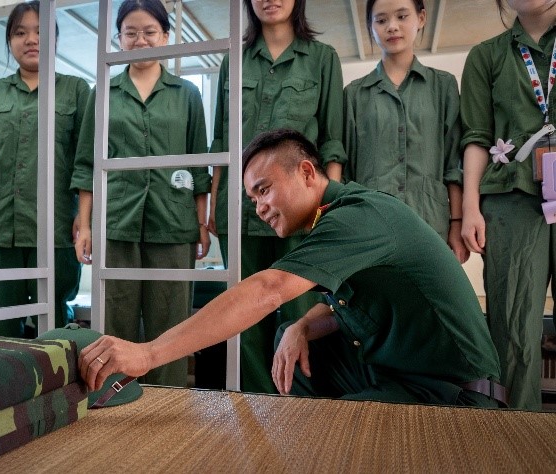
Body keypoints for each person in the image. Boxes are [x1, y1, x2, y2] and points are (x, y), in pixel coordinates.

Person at [80, 129, 504, 409]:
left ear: (305, 172)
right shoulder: (335, 216)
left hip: (453, 392)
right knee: (293, 336)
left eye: (264, 190)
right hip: (397, 369)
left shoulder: (357, 216)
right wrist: (300, 326)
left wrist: (148, 353)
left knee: (327, 433)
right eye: (253, 199)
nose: (260, 208)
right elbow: (342, 306)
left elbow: (269, 289)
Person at [208, 0, 346, 393]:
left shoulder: (322, 58)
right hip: (240, 211)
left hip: (302, 213)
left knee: (300, 318)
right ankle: (256, 409)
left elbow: (332, 141)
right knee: (244, 320)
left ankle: (301, 409)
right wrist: (216, 203)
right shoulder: (232, 61)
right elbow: (221, 141)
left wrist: (330, 207)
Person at [71, 0, 211, 387]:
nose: (140, 40)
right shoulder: (103, 92)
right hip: (116, 220)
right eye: (130, 33)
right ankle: (114, 398)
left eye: (149, 32)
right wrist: (86, 225)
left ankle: (170, 400)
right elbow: (87, 163)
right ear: (118, 38)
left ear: (165, 36)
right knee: (115, 322)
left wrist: (201, 223)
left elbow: (199, 164)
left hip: (174, 221)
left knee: (172, 326)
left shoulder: (187, 94)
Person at [0, 1, 90, 337]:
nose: (31, 39)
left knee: (54, 326)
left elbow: (85, 161)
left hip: (57, 229)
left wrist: (84, 218)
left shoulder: (76, 90)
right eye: (20, 32)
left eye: (41, 32)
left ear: (54, 40)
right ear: (10, 40)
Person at [460, 0, 556, 411]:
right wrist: (469, 207)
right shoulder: (486, 56)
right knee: (513, 334)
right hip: (510, 200)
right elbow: (476, 136)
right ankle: (518, 440)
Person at [343, 0, 468, 263]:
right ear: (370, 27)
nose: (392, 27)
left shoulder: (443, 86)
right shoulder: (354, 94)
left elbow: (454, 164)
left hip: (430, 224)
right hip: (370, 228)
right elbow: (347, 171)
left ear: (421, 18)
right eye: (381, 20)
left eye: (402, 16)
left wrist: (456, 223)